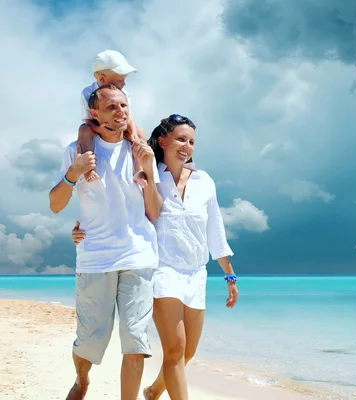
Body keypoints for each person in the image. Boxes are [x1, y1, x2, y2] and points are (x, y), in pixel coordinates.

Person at [72, 114, 239, 400]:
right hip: (161, 270)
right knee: (174, 349)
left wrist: (229, 274)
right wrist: (80, 228)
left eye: (192, 142)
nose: (187, 146)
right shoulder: (146, 172)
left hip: (197, 273)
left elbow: (216, 230)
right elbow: (116, 208)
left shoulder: (204, 181)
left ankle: (153, 391)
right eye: (181, 139)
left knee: (187, 353)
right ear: (162, 140)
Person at [50, 83, 163, 400]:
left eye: (124, 106)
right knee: (89, 341)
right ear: (94, 113)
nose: (121, 112)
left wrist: (149, 172)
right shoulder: (78, 150)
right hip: (96, 259)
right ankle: (82, 380)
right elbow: (55, 205)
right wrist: (73, 173)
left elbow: (153, 211)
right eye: (112, 107)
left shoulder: (139, 151)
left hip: (139, 257)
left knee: (135, 339)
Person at [78, 49, 147, 186]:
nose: (124, 83)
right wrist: (100, 129)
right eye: (120, 80)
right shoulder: (87, 93)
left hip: (120, 124)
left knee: (140, 132)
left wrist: (133, 133)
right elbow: (88, 120)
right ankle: (88, 169)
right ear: (102, 79)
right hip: (97, 126)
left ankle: (139, 169)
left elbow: (129, 119)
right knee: (84, 130)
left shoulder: (124, 93)